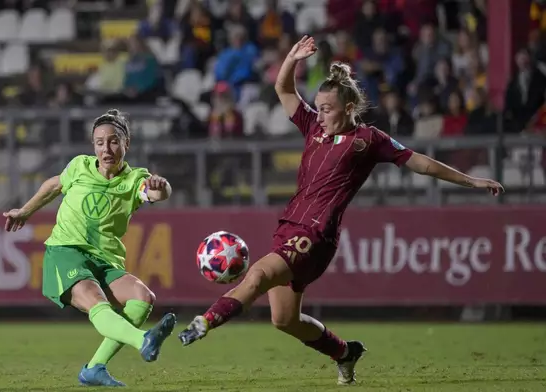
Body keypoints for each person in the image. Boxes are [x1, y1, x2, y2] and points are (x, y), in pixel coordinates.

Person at [178, 36, 504, 385]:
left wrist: (471, 181)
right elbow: (283, 88)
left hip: (315, 235)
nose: (319, 114)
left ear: (349, 108)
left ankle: (205, 322)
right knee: (285, 320)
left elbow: (420, 163)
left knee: (256, 276)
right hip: (288, 227)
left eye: (327, 108)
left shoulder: (368, 140)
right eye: (317, 107)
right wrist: (292, 58)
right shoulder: (313, 128)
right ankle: (345, 352)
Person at [3, 109, 177, 387]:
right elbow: (53, 185)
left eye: (113, 141)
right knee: (98, 302)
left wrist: (161, 185)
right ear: (93, 146)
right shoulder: (79, 166)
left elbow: (156, 193)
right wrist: (25, 211)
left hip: (106, 260)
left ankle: (94, 368)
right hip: (66, 251)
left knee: (143, 297)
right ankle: (143, 340)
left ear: (126, 144)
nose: (106, 148)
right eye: (99, 142)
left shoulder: (134, 180)